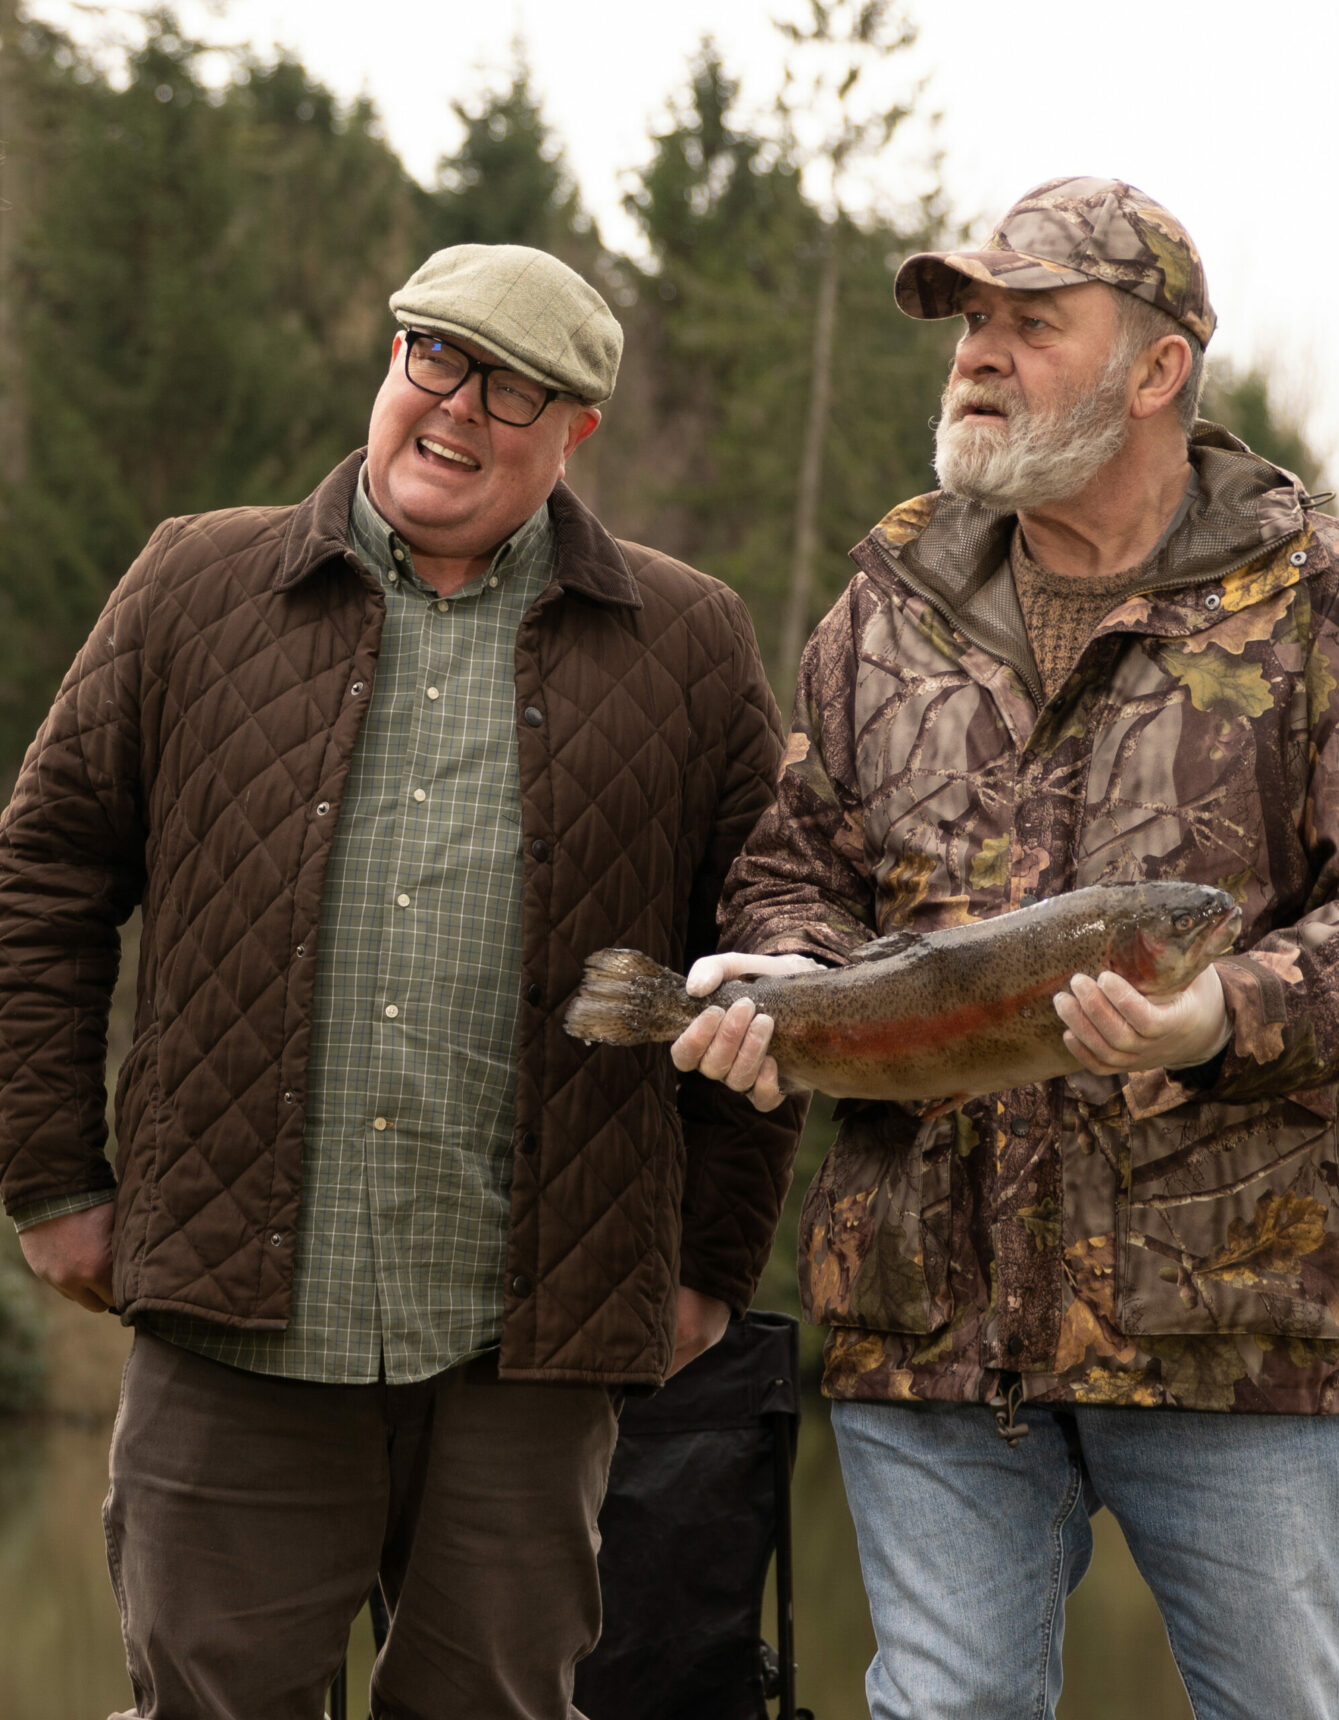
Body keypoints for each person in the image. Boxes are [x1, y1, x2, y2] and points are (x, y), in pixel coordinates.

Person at [674, 177, 1339, 1720]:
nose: (978, 354)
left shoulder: (1335, 603)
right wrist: (775, 971)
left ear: (1157, 367)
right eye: (969, 323)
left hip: (1234, 1330)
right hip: (925, 1323)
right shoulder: (887, 603)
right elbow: (799, 871)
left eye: (1030, 324)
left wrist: (1228, 1015)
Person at [0, 242, 801, 1720]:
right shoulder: (193, 582)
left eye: (515, 389)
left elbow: (771, 957)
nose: (460, 407)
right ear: (390, 362)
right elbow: (39, 882)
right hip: (231, 1315)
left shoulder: (690, 639)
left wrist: (708, 1261)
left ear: (578, 432)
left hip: (532, 1341)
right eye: (436, 357)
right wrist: (49, 1174)